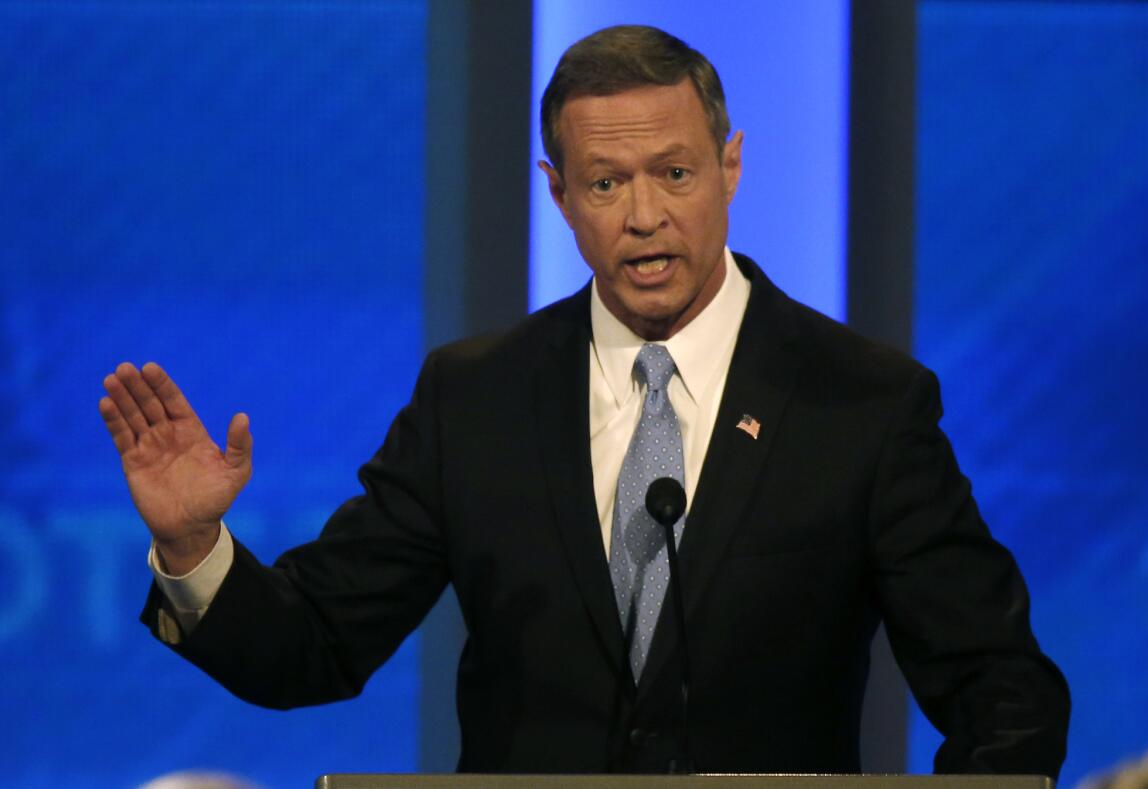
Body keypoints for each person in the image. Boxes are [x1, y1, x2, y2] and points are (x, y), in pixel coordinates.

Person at [99, 25, 1069, 776]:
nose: (644, 215)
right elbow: (312, 648)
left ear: (730, 168)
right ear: (558, 193)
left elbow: (1001, 688)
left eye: (676, 174)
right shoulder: (475, 398)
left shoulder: (859, 402)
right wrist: (194, 549)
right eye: (606, 182)